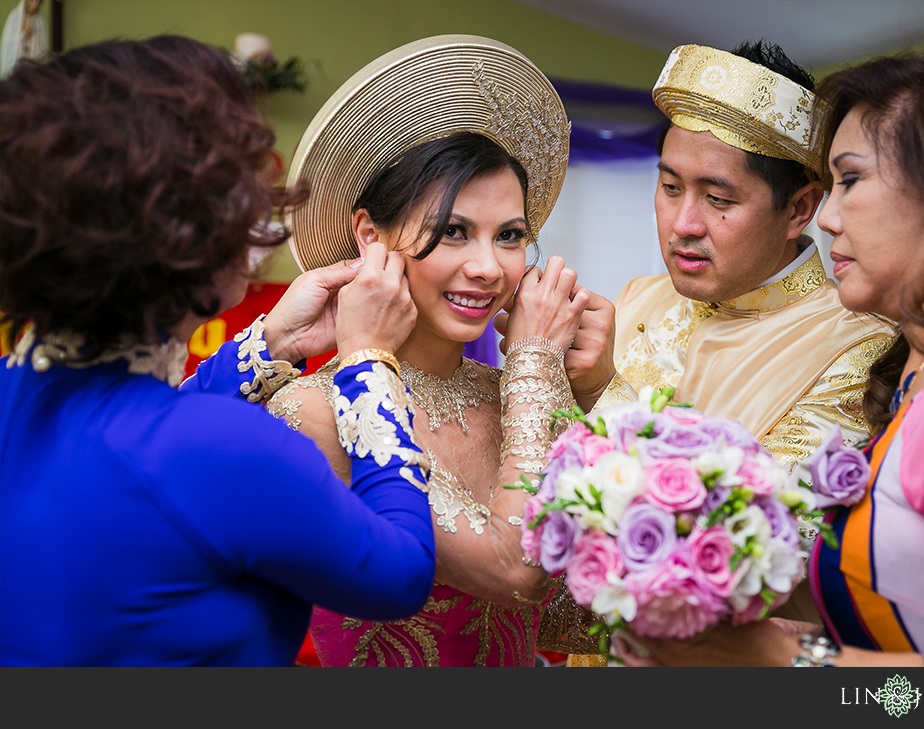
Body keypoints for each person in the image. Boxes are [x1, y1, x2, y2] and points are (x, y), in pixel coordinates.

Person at [0, 35, 437, 666]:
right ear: (195, 233)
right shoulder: (229, 449)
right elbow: (400, 576)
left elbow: (135, 442)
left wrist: (269, 343)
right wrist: (369, 361)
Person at [616, 40, 924, 668]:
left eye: (850, 182)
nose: (827, 218)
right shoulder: (913, 370)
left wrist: (789, 660)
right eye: (667, 186)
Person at [266, 34, 595, 667]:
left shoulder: (513, 399)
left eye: (510, 236)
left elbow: (574, 618)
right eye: (453, 232)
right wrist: (532, 359)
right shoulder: (315, 410)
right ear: (370, 235)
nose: (488, 267)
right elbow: (519, 573)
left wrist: (587, 391)